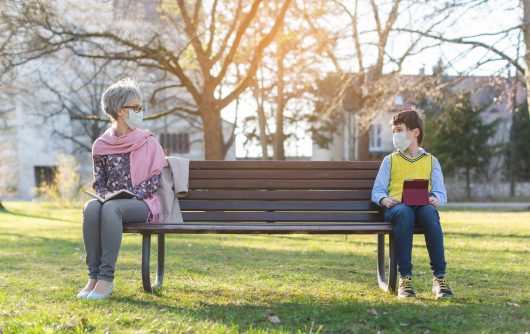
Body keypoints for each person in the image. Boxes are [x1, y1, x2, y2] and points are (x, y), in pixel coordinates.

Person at [78, 78, 165, 299]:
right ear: (119, 111)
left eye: (140, 107)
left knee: (111, 209)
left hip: (142, 203)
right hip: (112, 203)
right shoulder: (101, 145)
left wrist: (131, 194)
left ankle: (106, 280)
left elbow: (156, 180)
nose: (140, 111)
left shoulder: (148, 141)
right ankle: (93, 277)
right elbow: (100, 182)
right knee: (91, 207)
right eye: (135, 107)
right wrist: (107, 195)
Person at [371, 107, 454, 299]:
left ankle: (439, 278)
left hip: (422, 207)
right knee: (404, 212)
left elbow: (441, 192)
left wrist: (436, 199)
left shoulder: (431, 161)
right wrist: (384, 200)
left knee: (429, 212)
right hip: (397, 209)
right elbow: (378, 190)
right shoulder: (389, 160)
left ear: (415, 132)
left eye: (399, 130)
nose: (395, 135)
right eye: (394, 132)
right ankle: (405, 278)